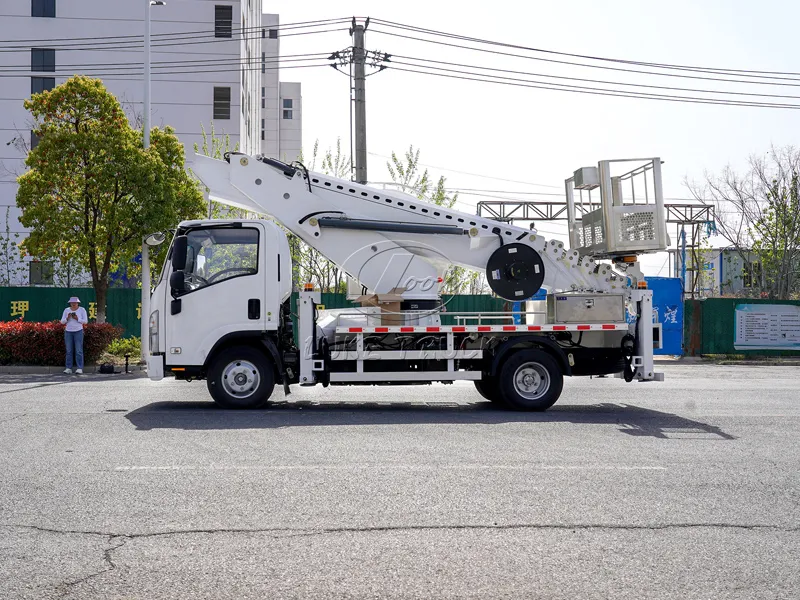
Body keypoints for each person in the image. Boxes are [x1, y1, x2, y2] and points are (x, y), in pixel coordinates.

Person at [60, 296, 88, 375]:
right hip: (68, 332)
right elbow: (62, 321)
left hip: (78, 331)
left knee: (78, 350)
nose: (73, 304)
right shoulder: (66, 310)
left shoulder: (82, 310)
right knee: (69, 350)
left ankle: (79, 368)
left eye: (75, 303)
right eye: (72, 303)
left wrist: (77, 318)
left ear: (78, 303)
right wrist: (67, 318)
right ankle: (68, 368)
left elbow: (85, 321)